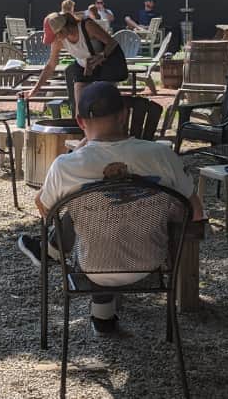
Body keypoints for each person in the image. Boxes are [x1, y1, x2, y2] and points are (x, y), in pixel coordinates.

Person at [17, 82, 204, 335]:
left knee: (87, 211)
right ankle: (103, 318)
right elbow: (196, 213)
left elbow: (43, 207)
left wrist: (83, 147)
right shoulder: (162, 156)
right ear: (124, 114)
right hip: (151, 263)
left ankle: (51, 253)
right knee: (115, 212)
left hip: (93, 266)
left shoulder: (66, 167)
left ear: (80, 122)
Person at [27, 11, 126, 114]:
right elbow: (51, 65)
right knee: (80, 109)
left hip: (104, 68)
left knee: (107, 107)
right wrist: (35, 89)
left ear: (63, 28)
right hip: (83, 69)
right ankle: (81, 127)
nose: (55, 40)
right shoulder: (58, 41)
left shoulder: (87, 26)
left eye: (56, 35)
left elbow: (112, 42)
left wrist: (102, 55)